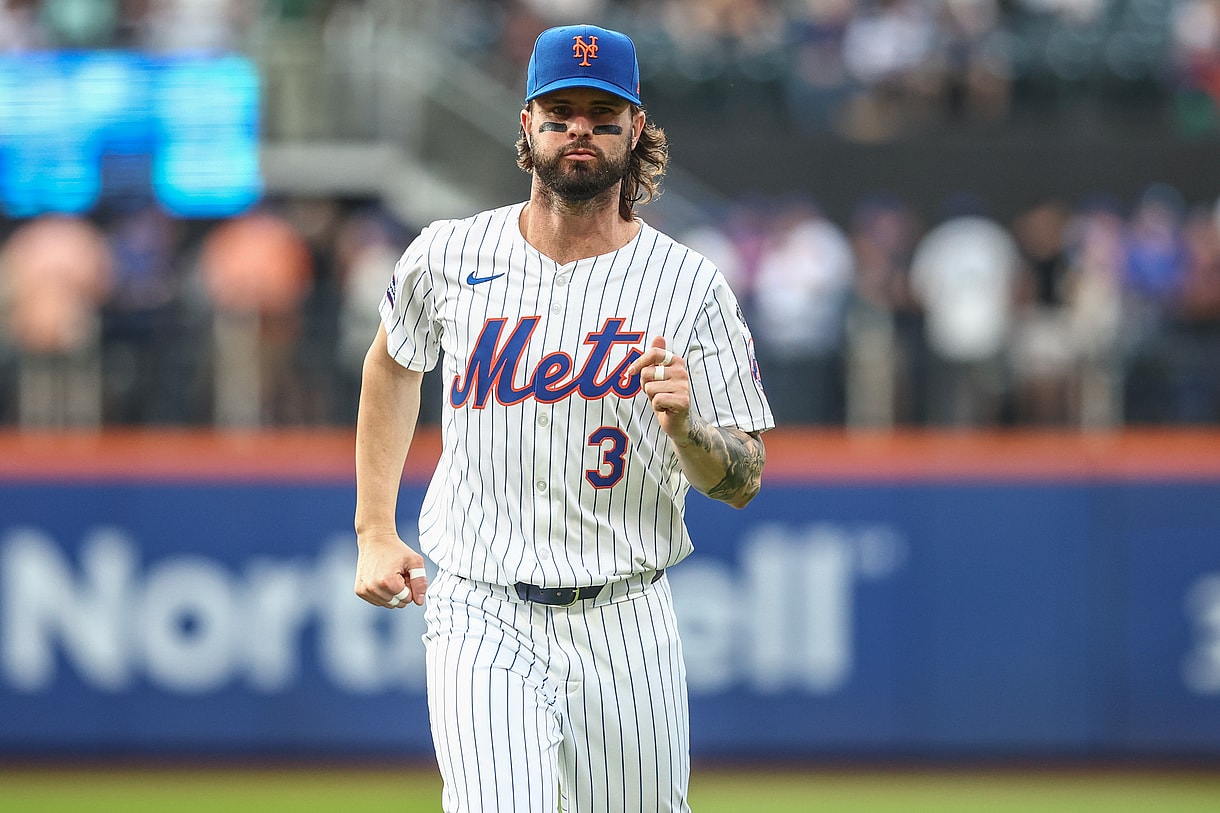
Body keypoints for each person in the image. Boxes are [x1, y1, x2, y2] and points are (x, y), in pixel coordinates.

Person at [352, 23, 773, 813]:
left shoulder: (689, 286)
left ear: (635, 126)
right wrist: (375, 525)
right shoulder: (448, 252)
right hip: (482, 602)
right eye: (560, 109)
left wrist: (688, 433)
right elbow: (392, 361)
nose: (580, 127)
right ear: (528, 124)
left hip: (625, 613)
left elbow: (743, 477)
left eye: (603, 111)